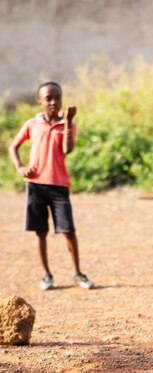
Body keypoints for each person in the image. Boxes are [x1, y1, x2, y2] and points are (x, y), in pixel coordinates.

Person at [9, 81, 95, 291]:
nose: (54, 102)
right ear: (40, 101)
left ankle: (78, 273)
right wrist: (20, 166)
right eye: (48, 98)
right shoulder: (32, 124)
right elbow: (14, 146)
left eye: (57, 97)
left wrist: (69, 121)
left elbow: (67, 149)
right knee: (41, 232)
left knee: (68, 231)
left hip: (58, 186)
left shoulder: (67, 124)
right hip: (36, 185)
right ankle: (47, 275)